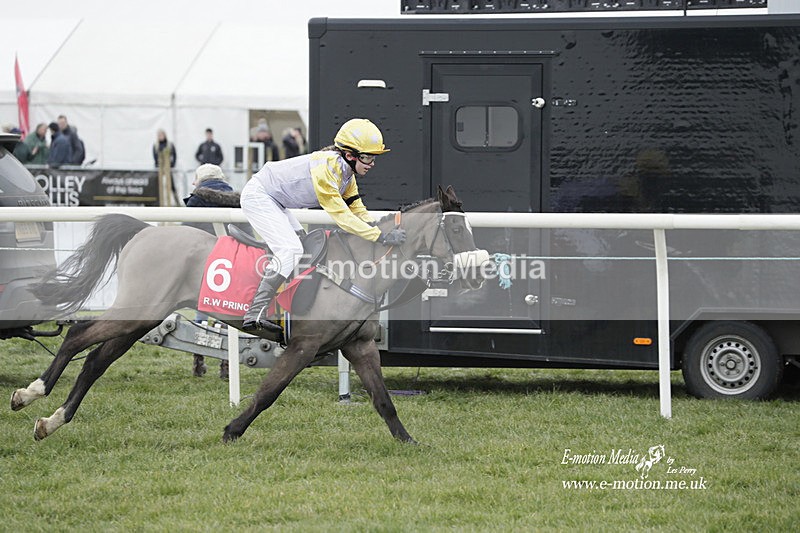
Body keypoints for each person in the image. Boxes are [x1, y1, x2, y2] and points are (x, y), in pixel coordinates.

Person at [239, 118, 406, 332]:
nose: (371, 163)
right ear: (350, 155)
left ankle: (289, 310)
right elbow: (342, 217)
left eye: (374, 158)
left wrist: (382, 230)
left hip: (276, 201)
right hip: (260, 196)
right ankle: (255, 312)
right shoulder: (328, 168)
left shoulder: (347, 175)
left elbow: (357, 210)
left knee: (304, 246)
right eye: (367, 157)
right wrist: (379, 236)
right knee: (291, 249)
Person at [184, 164, 243, 379]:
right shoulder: (238, 201)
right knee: (226, 311)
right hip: (233, 262)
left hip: (203, 263)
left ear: (199, 180)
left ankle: (198, 357)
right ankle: (226, 362)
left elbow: (185, 234)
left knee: (202, 306)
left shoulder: (195, 201)